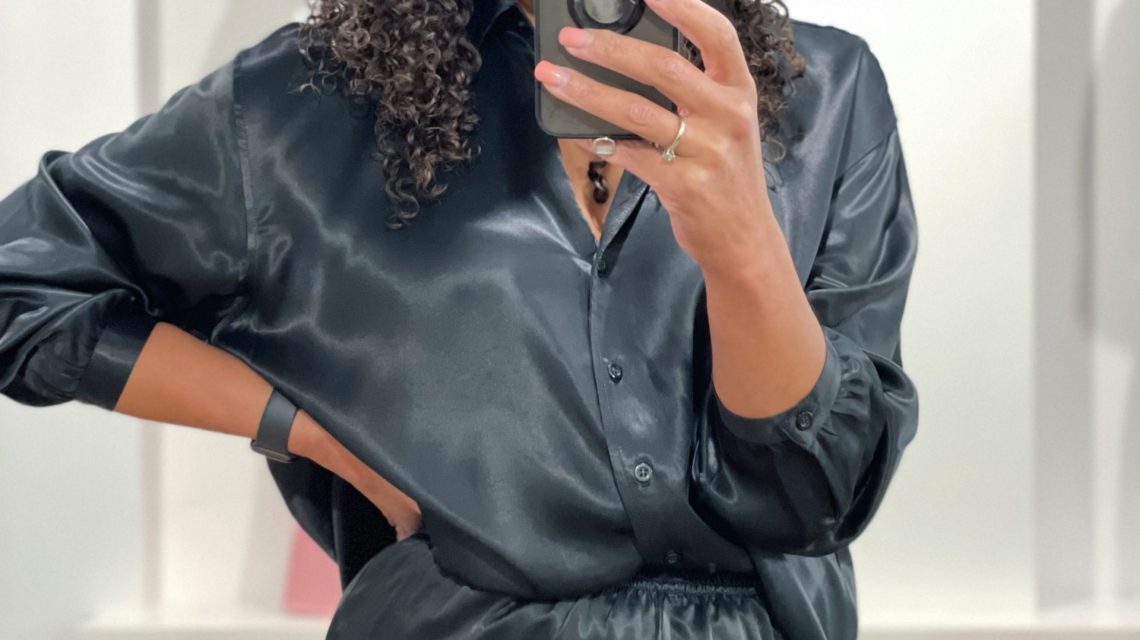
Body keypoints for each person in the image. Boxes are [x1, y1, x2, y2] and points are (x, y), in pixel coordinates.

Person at [0, 0, 920, 637]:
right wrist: (314, 435)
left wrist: (744, 248)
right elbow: (21, 281)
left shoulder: (824, 93)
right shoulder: (301, 106)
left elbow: (819, 494)